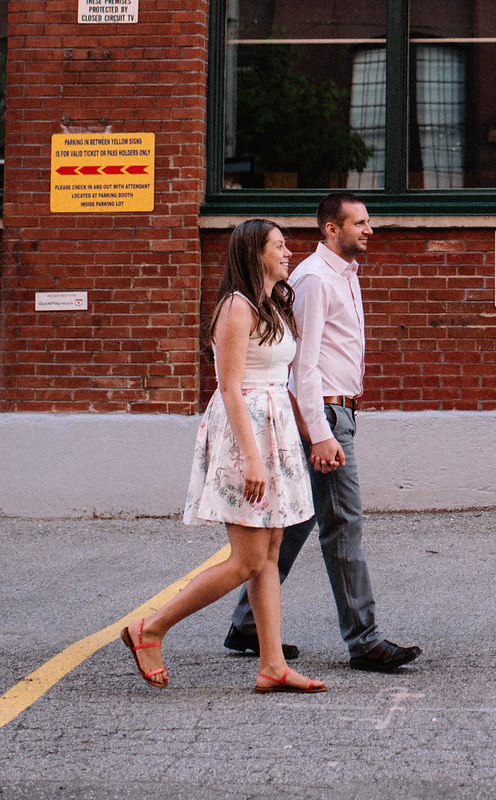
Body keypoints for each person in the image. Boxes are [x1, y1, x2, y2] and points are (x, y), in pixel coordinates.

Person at [120, 219, 329, 693]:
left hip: (272, 432)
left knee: (269, 554)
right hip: (247, 435)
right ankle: (149, 629)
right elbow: (230, 388)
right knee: (246, 560)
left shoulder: (270, 305)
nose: (289, 253)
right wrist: (253, 460)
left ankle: (272, 664)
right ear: (256, 252)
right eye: (280, 246)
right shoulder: (237, 307)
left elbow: (278, 380)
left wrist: (303, 432)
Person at [222, 192, 422, 673]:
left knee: (300, 520)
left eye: (369, 221)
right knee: (343, 525)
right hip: (325, 416)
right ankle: (365, 639)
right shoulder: (313, 279)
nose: (369, 229)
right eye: (359, 222)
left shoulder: (344, 276)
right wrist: (320, 432)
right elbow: (302, 366)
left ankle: (247, 625)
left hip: (339, 413)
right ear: (330, 229)